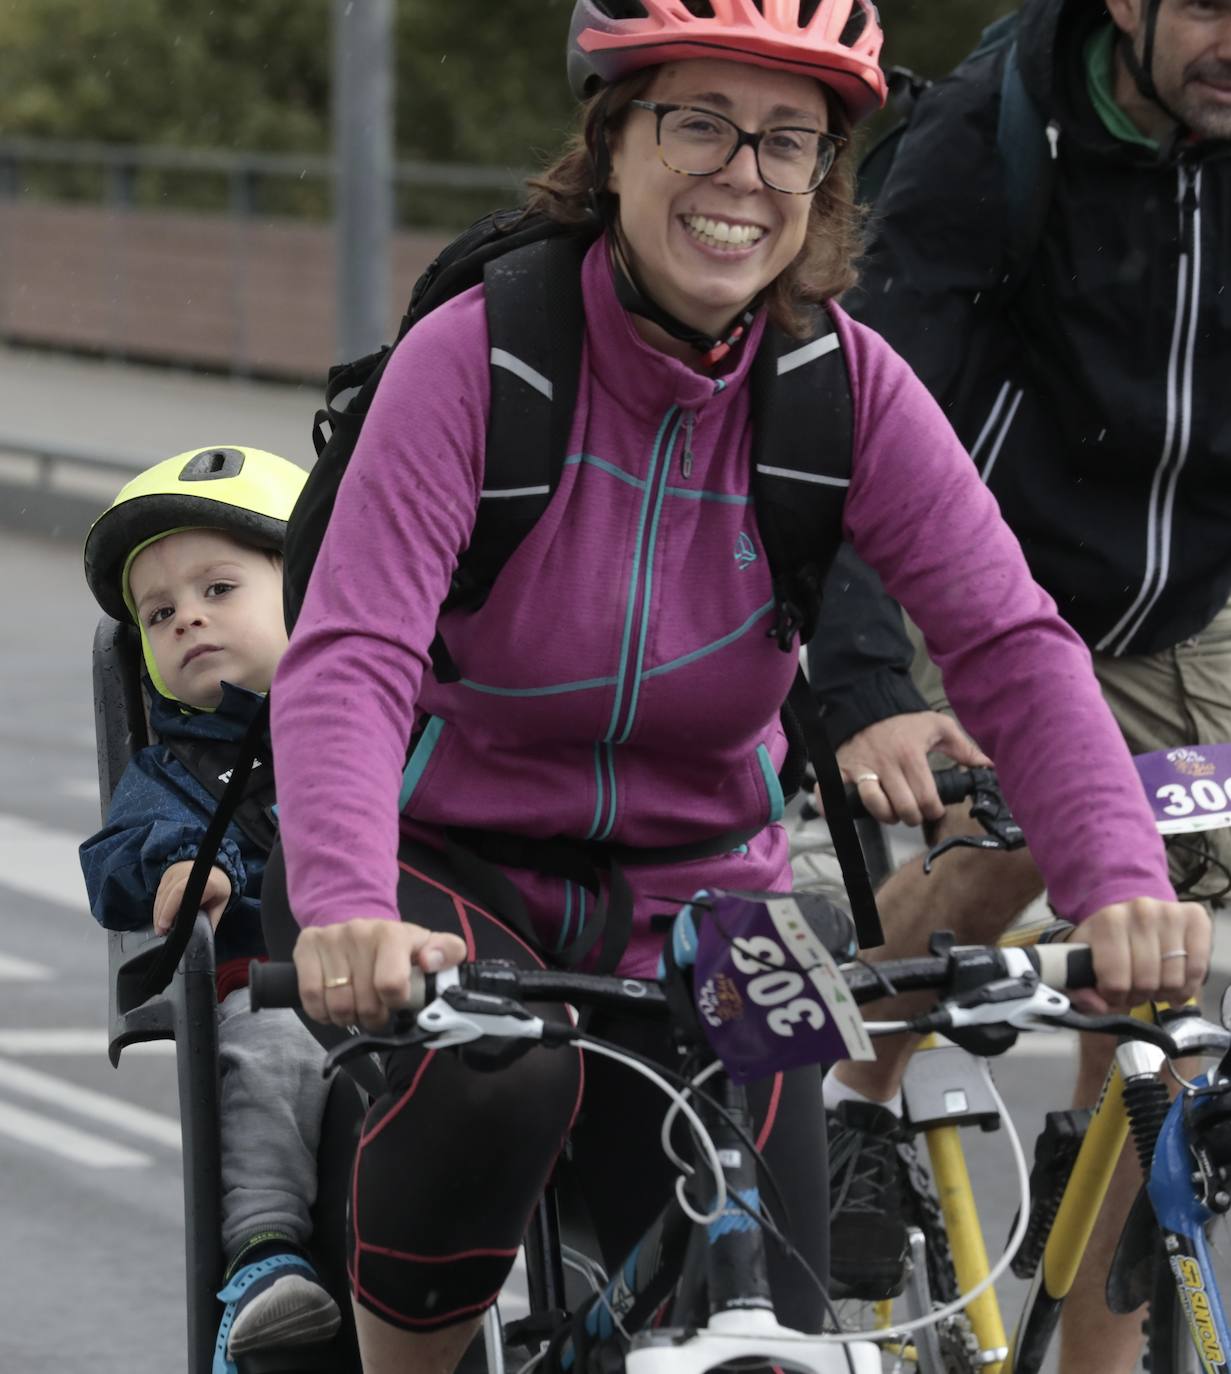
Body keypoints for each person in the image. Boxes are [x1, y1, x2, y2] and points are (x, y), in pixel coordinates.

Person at [262, 2, 1210, 1369]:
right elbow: (353, 652)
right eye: (696, 122)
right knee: (495, 1075)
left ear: (824, 177)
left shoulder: (843, 390)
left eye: (787, 140)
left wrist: (1118, 878)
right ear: (612, 143)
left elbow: (1008, 642)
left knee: (770, 1322)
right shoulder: (480, 357)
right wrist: (348, 903)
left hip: (707, 888)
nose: (742, 174)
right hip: (453, 866)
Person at [811, 0, 1231, 1361]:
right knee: (992, 867)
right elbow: (859, 422)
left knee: (1156, 974)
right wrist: (866, 674)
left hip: (1185, 609)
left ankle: (1097, 1334)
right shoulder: (985, 143)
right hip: (994, 588)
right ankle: (852, 1095)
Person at [79, 447, 342, 1371]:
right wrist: (191, 861)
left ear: (307, 586)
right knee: (270, 1059)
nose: (188, 615)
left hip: (410, 966)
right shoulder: (174, 769)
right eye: (160, 613)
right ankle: (266, 1261)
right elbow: (118, 855)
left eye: (220, 586)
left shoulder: (383, 716)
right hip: (269, 987)